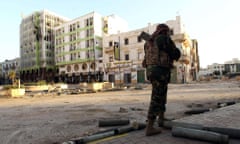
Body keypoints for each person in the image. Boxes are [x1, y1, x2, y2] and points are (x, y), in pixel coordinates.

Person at [141, 23, 181, 136]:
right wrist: (175, 49)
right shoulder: (163, 39)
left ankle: (161, 119)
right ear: (165, 31)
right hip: (161, 71)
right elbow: (175, 54)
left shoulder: (148, 42)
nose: (168, 33)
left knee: (161, 94)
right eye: (168, 32)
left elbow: (145, 59)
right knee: (157, 97)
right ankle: (150, 127)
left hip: (151, 71)